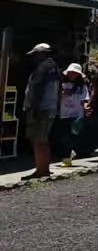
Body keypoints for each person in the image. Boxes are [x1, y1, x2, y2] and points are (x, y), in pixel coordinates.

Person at [21, 43, 62, 180]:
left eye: (36, 54)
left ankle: (41, 170)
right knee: (43, 140)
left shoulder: (43, 68)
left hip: (41, 108)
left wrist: (33, 108)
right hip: (50, 107)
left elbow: (37, 90)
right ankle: (44, 168)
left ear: (42, 54)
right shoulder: (55, 68)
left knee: (38, 140)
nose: (34, 58)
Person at [54, 62, 90, 168]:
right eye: (70, 73)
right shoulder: (62, 84)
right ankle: (66, 158)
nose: (72, 75)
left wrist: (86, 108)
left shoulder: (82, 87)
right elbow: (57, 98)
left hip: (77, 115)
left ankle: (69, 155)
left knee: (73, 136)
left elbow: (85, 99)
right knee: (64, 137)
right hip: (64, 114)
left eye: (74, 73)